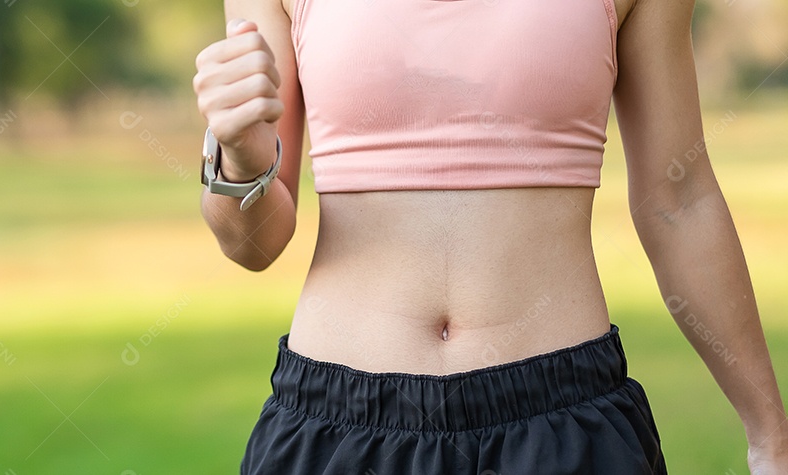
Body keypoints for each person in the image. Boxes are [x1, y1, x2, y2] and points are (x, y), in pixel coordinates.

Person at [193, 0, 788, 472]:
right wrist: (241, 161)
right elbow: (255, 244)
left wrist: (772, 439)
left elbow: (677, 201)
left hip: (563, 427)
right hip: (336, 428)